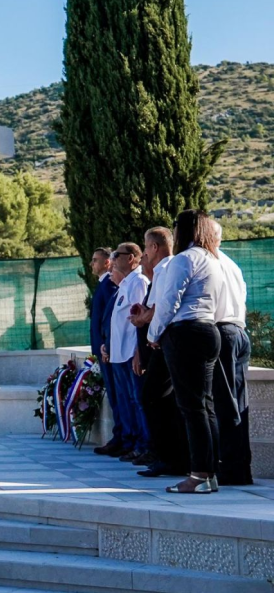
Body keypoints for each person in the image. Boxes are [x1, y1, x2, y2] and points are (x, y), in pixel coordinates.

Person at [148, 210, 224, 494]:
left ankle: (198, 475)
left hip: (185, 334)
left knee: (192, 408)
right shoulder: (213, 260)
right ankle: (210, 473)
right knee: (205, 406)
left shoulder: (185, 259)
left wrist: (154, 334)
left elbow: (169, 301)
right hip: (208, 331)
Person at [129, 227, 188, 478]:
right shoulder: (164, 270)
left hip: (165, 342)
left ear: (154, 247)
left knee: (155, 397)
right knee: (158, 399)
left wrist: (148, 327)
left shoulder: (167, 268)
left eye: (145, 247)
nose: (144, 253)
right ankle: (169, 457)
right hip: (160, 344)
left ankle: (169, 457)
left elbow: (164, 305)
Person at [211, 222, 253, 485]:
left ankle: (232, 468)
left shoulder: (210, 263)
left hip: (224, 333)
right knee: (238, 403)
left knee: (227, 405)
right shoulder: (231, 264)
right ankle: (239, 467)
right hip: (238, 332)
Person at [108, 243, 150, 463]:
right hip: (119, 353)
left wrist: (138, 351)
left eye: (117, 255)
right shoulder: (124, 285)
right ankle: (132, 443)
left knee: (137, 400)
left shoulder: (139, 282)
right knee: (127, 401)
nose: (113, 259)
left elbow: (140, 320)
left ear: (132, 258)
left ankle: (144, 445)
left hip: (130, 354)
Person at [90, 248, 124, 456]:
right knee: (114, 395)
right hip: (104, 350)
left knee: (119, 396)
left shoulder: (110, 284)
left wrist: (105, 345)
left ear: (107, 263)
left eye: (96, 260)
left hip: (109, 351)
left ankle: (123, 437)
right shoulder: (103, 284)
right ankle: (120, 435)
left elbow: (112, 319)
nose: (91, 264)